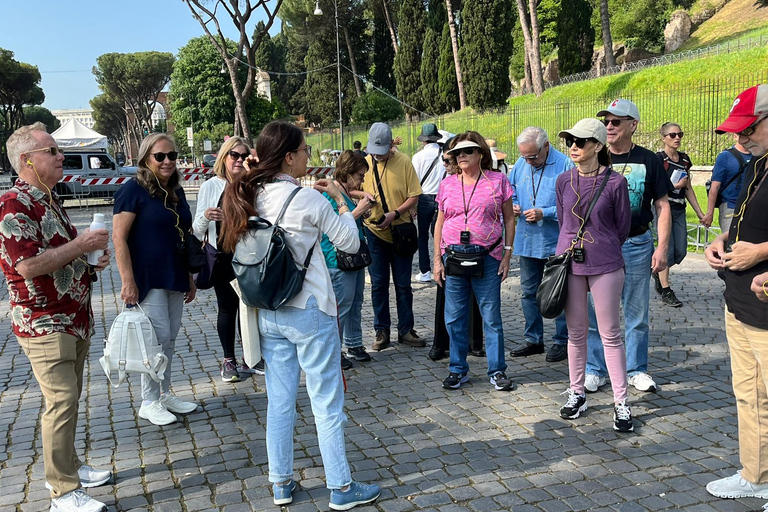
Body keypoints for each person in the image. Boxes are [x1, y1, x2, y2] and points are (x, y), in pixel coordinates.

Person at [220, 121, 380, 510]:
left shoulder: (249, 194)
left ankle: (280, 482)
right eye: (306, 149)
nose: (310, 155)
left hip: (269, 308)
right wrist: (343, 203)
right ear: (289, 157)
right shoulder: (308, 200)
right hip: (309, 308)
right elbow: (350, 241)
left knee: (279, 400)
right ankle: (340, 487)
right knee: (326, 399)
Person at [0, 123, 112, 512]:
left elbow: (58, 254)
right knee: (61, 401)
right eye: (52, 151)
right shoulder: (15, 204)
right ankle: (63, 493)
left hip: (73, 317)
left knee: (70, 398)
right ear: (27, 160)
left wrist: (87, 258)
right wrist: (81, 244)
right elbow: (26, 266)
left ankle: (71, 468)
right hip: (44, 322)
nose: (61, 156)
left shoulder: (48, 198)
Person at [704, 84, 768, 502]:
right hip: (740, 299)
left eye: (750, 128)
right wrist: (723, 239)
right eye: (737, 131)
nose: (740, 138)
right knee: (749, 394)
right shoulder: (755, 164)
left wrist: (761, 252)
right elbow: (745, 217)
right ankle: (756, 473)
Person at [585, 99, 673, 394]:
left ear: (633, 125)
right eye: (606, 121)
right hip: (600, 244)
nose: (609, 126)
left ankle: (636, 369)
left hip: (637, 243)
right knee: (596, 312)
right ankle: (595, 370)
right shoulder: (595, 158)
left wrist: (662, 248)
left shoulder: (649, 160)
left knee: (637, 313)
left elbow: (662, 206)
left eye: (616, 122)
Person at [113, 133, 199, 426]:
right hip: (147, 277)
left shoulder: (176, 191)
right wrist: (127, 281)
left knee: (169, 340)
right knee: (154, 341)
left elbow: (183, 235)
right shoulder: (132, 190)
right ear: (145, 158)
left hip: (174, 273)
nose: (167, 162)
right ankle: (148, 400)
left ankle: (163, 393)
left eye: (172, 156)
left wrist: (189, 276)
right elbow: (119, 238)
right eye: (159, 156)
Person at [555, 118, 633, 431]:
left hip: (605, 262)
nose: (574, 146)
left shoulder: (615, 182)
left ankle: (621, 402)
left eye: (581, 141)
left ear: (598, 146)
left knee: (610, 333)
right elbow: (564, 220)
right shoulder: (563, 180)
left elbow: (623, 226)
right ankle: (577, 393)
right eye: (570, 140)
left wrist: (601, 243)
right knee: (575, 332)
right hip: (570, 262)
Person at [433, 132, 517, 391]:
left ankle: (497, 370)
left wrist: (507, 254)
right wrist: (437, 259)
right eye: (457, 152)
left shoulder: (497, 180)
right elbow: (440, 222)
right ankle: (457, 369)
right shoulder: (447, 184)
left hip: (488, 257)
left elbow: (509, 219)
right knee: (454, 317)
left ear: (481, 153)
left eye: (468, 151)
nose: (462, 156)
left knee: (491, 317)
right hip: (454, 257)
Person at [193, 136, 263, 382]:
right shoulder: (211, 186)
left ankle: (251, 357)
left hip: (250, 255)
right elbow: (197, 229)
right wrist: (206, 216)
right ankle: (228, 360)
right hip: (222, 255)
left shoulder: (251, 184)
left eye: (244, 156)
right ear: (224, 157)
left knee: (251, 306)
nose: (239, 160)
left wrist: (253, 174)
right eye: (235, 155)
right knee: (227, 307)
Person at [507, 127, 572, 363]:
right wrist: (512, 205)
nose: (529, 161)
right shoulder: (521, 163)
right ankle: (533, 339)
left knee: (559, 293)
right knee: (528, 293)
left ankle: (562, 340)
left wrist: (546, 212)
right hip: (527, 241)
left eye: (533, 156)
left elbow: (572, 204)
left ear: (546, 146)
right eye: (524, 157)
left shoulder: (566, 165)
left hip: (555, 241)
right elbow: (510, 191)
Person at [361, 122, 424, 351]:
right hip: (374, 232)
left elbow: (414, 195)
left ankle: (406, 330)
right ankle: (382, 330)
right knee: (378, 284)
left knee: (403, 284)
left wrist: (395, 213)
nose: (376, 156)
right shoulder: (365, 163)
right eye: (373, 151)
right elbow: (348, 187)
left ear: (390, 146)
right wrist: (363, 194)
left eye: (380, 151)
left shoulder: (404, 162)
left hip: (400, 231)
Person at [428, 141, 484, 362]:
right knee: (446, 294)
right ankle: (441, 343)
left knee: (476, 291)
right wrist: (436, 258)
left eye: (448, 161)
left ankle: (474, 341)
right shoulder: (447, 183)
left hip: (474, 244)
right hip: (449, 245)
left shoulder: (478, 179)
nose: (447, 164)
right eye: (447, 160)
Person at [319, 150, 375, 369]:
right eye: (360, 175)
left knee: (356, 303)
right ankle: (335, 351)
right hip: (338, 259)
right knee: (341, 306)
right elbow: (333, 227)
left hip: (354, 256)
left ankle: (354, 343)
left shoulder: (345, 191)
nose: (362, 180)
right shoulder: (330, 195)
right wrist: (359, 212)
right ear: (349, 172)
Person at [653, 122, 706, 308]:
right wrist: (675, 186)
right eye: (672, 135)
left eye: (680, 134)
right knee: (666, 249)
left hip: (679, 208)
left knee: (680, 251)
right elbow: (655, 188)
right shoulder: (658, 159)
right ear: (663, 138)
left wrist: (700, 213)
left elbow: (689, 187)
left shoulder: (684, 159)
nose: (677, 138)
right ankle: (666, 290)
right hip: (663, 209)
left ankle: (658, 270)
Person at [412, 123, 446, 282]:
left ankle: (425, 271)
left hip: (424, 198)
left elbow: (414, 182)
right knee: (440, 235)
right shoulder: (444, 155)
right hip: (441, 197)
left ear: (424, 140)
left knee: (423, 236)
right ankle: (443, 265)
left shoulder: (417, 157)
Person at [702, 134, 753, 233]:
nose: (746, 137)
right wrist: (709, 213)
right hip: (730, 206)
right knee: (731, 243)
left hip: (751, 206)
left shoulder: (757, 156)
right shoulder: (725, 156)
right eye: (741, 134)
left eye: (748, 133)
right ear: (735, 136)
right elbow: (714, 187)